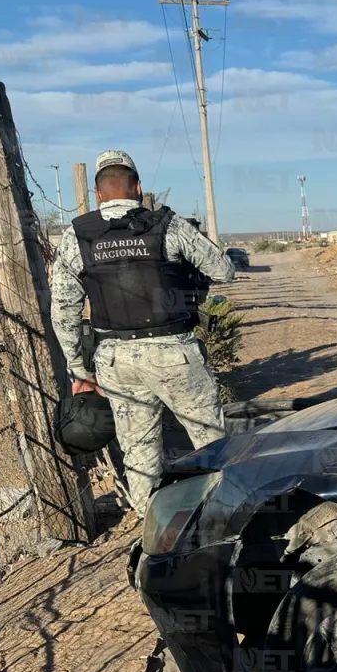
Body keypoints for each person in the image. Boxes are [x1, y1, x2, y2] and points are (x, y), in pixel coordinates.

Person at [49, 150, 235, 516]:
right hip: (175, 353)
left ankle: (155, 533)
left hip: (116, 361)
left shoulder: (77, 235)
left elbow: (63, 311)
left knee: (139, 454)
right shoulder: (167, 224)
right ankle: (223, 517)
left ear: (99, 193)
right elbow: (224, 270)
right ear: (137, 188)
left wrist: (79, 369)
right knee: (210, 441)